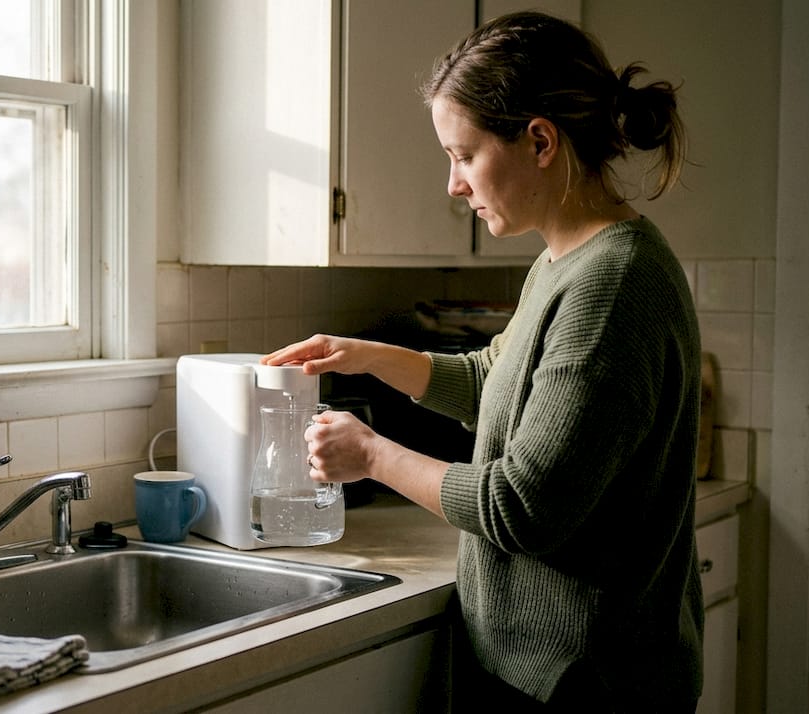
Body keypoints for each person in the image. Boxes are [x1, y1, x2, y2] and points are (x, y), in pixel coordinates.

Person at [262, 11, 702, 712]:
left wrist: (372, 455)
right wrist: (368, 356)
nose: (453, 185)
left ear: (538, 141)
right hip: (538, 666)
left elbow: (521, 507)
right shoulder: (566, 259)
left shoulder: (613, 284)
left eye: (464, 155)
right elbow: (495, 381)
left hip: (582, 680)